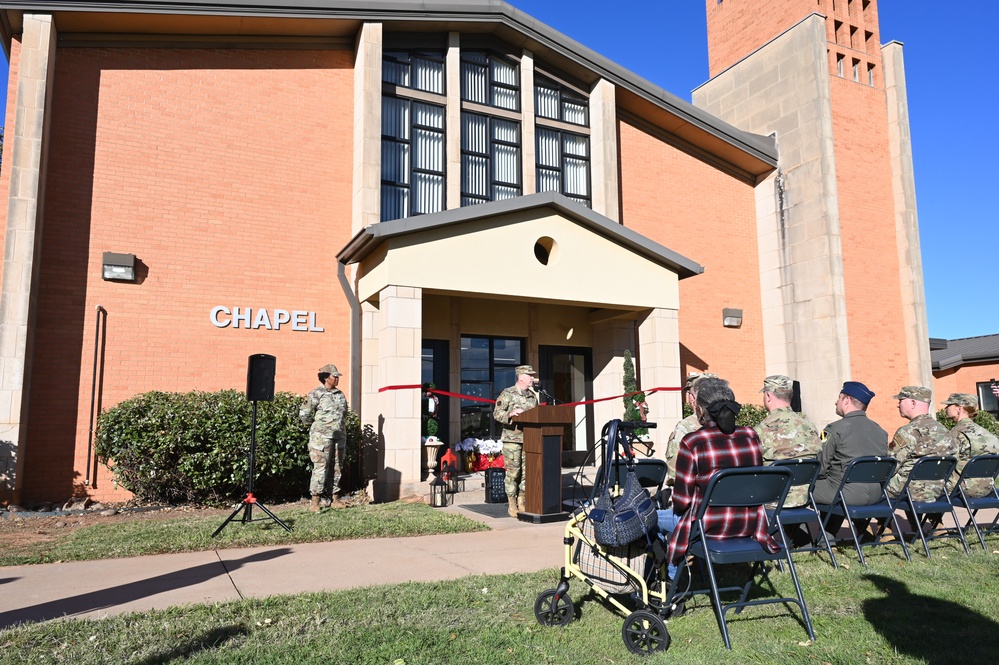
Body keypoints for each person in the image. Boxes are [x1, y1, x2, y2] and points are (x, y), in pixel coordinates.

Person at [656, 377, 779, 581]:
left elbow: (682, 502)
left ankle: (670, 580)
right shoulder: (751, 436)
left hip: (706, 526)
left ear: (701, 410)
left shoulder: (693, 442)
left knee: (648, 519)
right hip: (750, 524)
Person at [813, 381, 888, 536]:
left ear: (846, 400)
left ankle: (807, 540)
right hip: (875, 493)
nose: (836, 402)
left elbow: (820, 468)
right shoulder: (880, 430)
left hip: (845, 493)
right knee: (835, 484)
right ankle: (834, 536)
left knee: (794, 490)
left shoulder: (834, 429)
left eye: (839, 398)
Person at [755, 375, 822, 508]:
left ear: (768, 395)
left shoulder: (762, 429)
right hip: (804, 499)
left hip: (772, 501)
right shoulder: (809, 426)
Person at [886, 386, 953, 502]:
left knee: (869, 487)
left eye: (901, 400)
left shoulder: (908, 431)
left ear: (912, 403)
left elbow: (891, 465)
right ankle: (929, 520)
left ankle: (882, 520)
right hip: (938, 490)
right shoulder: (945, 431)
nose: (898, 405)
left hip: (908, 490)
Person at [299, 363, 348, 512]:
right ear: (326, 378)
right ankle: (315, 502)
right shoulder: (316, 394)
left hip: (339, 437)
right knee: (321, 468)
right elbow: (304, 414)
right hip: (321, 439)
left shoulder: (340, 395)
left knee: (337, 467)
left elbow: (344, 414)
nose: (337, 379)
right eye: (335, 376)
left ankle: (335, 499)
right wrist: (318, 429)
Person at [493, 364, 539, 518]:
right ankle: (512, 503)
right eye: (530, 375)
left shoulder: (533, 396)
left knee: (527, 473)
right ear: (521, 377)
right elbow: (497, 414)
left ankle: (522, 500)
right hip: (512, 440)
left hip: (530, 440)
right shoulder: (508, 393)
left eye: (532, 375)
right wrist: (511, 414)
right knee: (514, 473)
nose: (532, 378)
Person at [664, 372, 718, 486]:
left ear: (692, 397)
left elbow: (674, 475)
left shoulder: (684, 427)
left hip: (697, 496)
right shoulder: (733, 426)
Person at [941, 393, 999, 498]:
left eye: (949, 405)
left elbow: (944, 463)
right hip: (987, 488)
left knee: (920, 488)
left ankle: (926, 514)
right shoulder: (988, 434)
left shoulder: (956, 433)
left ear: (959, 408)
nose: (945, 408)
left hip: (959, 488)